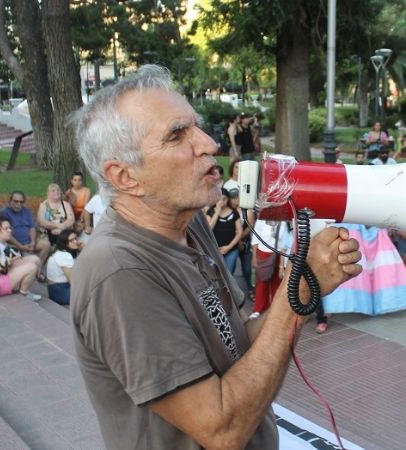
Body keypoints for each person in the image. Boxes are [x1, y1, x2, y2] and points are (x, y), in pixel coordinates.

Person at [68, 65, 361, 450]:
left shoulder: (188, 224)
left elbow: (237, 340)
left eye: (197, 127)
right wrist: (298, 296)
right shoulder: (120, 271)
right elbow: (221, 428)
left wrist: (298, 286)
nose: (208, 143)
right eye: (177, 135)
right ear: (124, 177)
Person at [0, 215, 42, 301]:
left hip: (1, 275)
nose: (10, 231)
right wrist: (5, 265)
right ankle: (23, 296)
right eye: (6, 229)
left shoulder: (2, 243)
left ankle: (23, 287)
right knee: (31, 267)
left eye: (10, 228)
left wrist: (12, 261)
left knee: (35, 259)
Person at [0, 191, 51, 270]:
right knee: (29, 258)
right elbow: (6, 234)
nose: (18, 204)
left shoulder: (26, 211)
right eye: (15, 201)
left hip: (29, 242)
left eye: (21, 202)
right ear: (10, 201)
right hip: (14, 245)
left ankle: (38, 269)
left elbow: (32, 227)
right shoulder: (4, 213)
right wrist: (20, 246)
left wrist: (33, 242)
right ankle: (33, 271)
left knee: (46, 244)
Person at [205, 188, 243, 274]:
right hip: (214, 249)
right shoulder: (210, 211)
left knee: (228, 273)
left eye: (224, 199)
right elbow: (208, 229)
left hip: (231, 249)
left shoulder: (234, 212)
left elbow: (239, 232)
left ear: (228, 199)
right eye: (219, 199)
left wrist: (229, 247)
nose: (221, 201)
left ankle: (228, 287)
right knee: (216, 273)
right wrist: (217, 212)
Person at [46, 229, 80, 306]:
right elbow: (72, 281)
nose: (76, 242)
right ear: (65, 243)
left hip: (55, 290)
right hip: (60, 291)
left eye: (76, 239)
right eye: (72, 240)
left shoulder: (62, 252)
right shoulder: (64, 255)